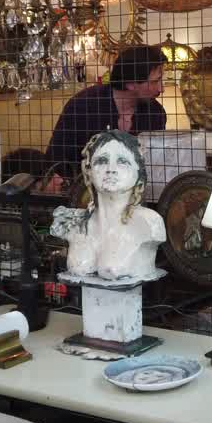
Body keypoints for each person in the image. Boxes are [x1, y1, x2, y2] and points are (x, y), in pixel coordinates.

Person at [50, 130, 166, 281]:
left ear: (139, 173)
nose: (111, 169)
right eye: (102, 161)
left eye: (122, 161)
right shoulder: (75, 223)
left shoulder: (149, 224)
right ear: (89, 171)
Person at [46, 45, 167, 178]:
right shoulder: (82, 105)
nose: (162, 89)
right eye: (156, 81)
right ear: (131, 83)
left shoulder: (156, 113)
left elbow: (156, 166)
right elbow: (55, 160)